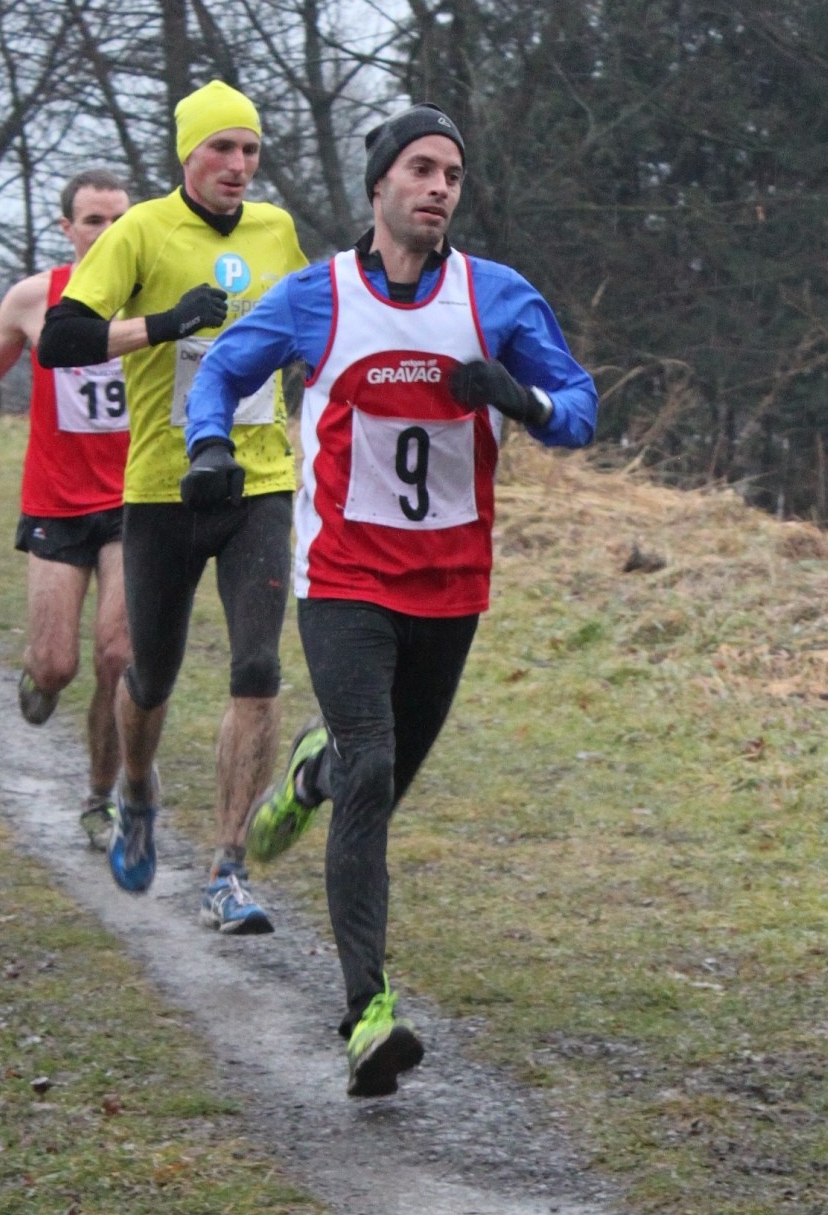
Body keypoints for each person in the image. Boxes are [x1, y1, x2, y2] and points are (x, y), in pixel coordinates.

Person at [182, 102, 598, 1096]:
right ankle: (368, 1015)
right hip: (344, 579)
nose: (437, 187)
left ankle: (309, 778)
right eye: (419, 168)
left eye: (451, 174)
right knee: (375, 771)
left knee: (375, 781)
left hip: (451, 586)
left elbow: (579, 411)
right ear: (379, 186)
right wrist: (208, 447)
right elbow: (223, 370)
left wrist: (520, 399)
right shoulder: (315, 297)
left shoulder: (494, 297)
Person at [38, 80, 307, 934]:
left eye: (250, 150)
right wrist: (160, 325)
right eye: (221, 148)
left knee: (257, 669)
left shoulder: (277, 232)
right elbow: (61, 339)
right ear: (186, 154)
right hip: (161, 489)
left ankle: (229, 870)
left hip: (259, 481)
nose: (237, 165)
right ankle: (137, 790)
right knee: (148, 676)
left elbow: (313, 326)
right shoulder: (140, 231)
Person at [0, 169, 133, 849]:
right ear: (67, 229)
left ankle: (100, 800)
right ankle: (37, 675)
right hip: (57, 502)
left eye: (118, 221)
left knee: (117, 657)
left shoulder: (154, 298)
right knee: (57, 666)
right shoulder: (34, 299)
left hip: (134, 499)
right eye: (94, 221)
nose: (107, 234)